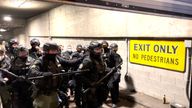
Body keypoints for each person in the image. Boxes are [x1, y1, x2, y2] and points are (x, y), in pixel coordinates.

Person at [29, 42, 83, 108]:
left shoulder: (57, 59)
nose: (55, 52)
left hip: (54, 91)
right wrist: (42, 74)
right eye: (52, 51)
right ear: (46, 51)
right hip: (43, 93)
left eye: (56, 50)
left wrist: (81, 59)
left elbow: (69, 63)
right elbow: (32, 71)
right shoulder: (41, 60)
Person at [76, 41, 108, 108]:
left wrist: (110, 70)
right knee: (91, 105)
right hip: (90, 89)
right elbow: (78, 74)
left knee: (99, 103)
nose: (99, 51)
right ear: (91, 50)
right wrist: (90, 83)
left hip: (100, 87)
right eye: (96, 50)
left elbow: (101, 70)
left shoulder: (100, 59)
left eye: (100, 49)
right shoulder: (88, 61)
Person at [107, 43, 123, 108]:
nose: (113, 49)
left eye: (113, 48)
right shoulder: (108, 54)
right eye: (112, 48)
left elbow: (119, 62)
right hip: (109, 73)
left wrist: (117, 69)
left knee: (115, 87)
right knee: (113, 87)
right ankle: (114, 100)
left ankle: (115, 101)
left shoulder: (117, 55)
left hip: (114, 73)